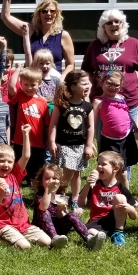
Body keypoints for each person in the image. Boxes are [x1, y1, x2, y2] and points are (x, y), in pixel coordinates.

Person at [80, 10, 138, 126]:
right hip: (101, 100)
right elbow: (86, 71)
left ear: (123, 24)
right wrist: (87, 89)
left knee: (126, 136)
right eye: (109, 23)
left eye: (117, 22)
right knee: (103, 136)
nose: (114, 25)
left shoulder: (133, 43)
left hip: (128, 100)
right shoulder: (95, 45)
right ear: (103, 27)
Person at [1, 0, 75, 73]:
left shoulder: (63, 35)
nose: (48, 14)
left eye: (52, 11)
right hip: (32, 81)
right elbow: (5, 17)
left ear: (56, 14)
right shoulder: (30, 30)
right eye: (44, 11)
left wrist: (61, 79)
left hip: (54, 81)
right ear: (39, 14)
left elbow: (70, 64)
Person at [48, 70, 93, 210]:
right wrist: (51, 141)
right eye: (84, 83)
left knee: (77, 173)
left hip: (80, 145)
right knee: (68, 172)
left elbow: (90, 127)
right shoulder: (62, 104)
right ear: (73, 87)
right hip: (64, 145)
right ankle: (57, 195)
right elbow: (53, 124)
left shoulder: (87, 106)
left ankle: (74, 198)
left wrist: (89, 145)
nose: (88, 86)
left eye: (89, 83)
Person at [31, 162, 103, 250]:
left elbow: (62, 216)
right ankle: (55, 238)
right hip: (42, 230)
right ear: (41, 182)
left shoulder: (60, 196)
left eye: (54, 178)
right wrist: (48, 190)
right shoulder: (40, 195)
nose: (51, 181)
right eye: (47, 178)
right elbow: (43, 207)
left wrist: (60, 211)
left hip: (57, 228)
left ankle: (89, 238)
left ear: (59, 182)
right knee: (44, 212)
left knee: (71, 215)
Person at [79, 151, 138, 247]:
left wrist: (130, 209)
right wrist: (87, 185)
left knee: (120, 197)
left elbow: (134, 216)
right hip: (97, 221)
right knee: (90, 231)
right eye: (98, 164)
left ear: (115, 168)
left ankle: (118, 232)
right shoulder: (94, 185)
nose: (99, 167)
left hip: (115, 219)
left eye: (103, 164)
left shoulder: (120, 188)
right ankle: (99, 238)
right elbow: (81, 203)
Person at [91, 71, 138, 177]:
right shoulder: (98, 101)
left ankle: (125, 193)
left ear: (121, 86)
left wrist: (133, 123)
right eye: (109, 83)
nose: (112, 87)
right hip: (109, 140)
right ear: (101, 83)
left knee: (123, 171)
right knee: (107, 168)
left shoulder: (122, 98)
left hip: (126, 138)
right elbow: (92, 123)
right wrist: (90, 142)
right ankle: (102, 189)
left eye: (116, 85)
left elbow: (126, 112)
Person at [6, 68, 50, 183]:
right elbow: (10, 87)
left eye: (33, 84)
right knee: (19, 167)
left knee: (37, 170)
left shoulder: (43, 102)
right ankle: (16, 186)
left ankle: (36, 188)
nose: (29, 88)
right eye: (26, 84)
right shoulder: (20, 95)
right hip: (20, 141)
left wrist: (47, 140)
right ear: (21, 83)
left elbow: (46, 124)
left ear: (39, 84)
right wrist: (18, 71)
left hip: (37, 142)